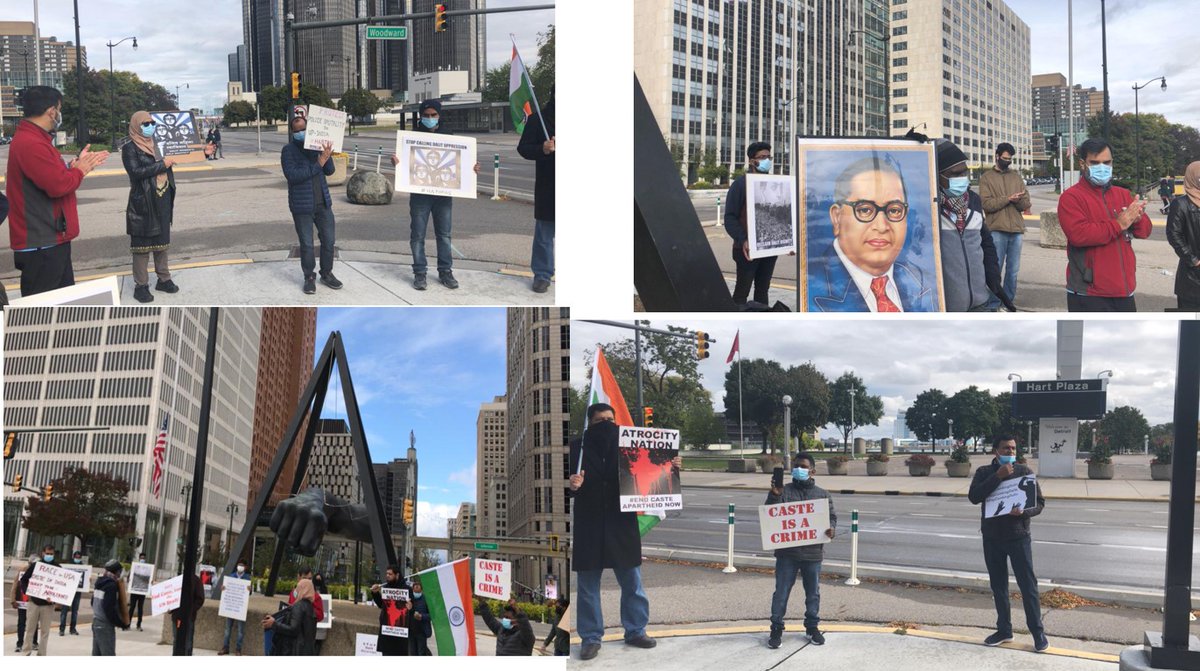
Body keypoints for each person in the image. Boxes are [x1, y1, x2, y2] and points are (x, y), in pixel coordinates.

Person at [569, 403, 680, 660]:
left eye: (610, 419)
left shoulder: (631, 446)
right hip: (589, 525)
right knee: (587, 588)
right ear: (590, 423)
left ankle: (635, 631)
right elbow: (562, 489)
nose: (606, 424)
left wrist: (671, 465)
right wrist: (572, 485)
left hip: (622, 524)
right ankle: (591, 638)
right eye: (599, 421)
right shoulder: (576, 448)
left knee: (632, 582)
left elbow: (655, 474)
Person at [5, 86, 108, 297]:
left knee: (61, 309)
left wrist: (72, 169)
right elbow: (58, 186)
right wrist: (79, 171)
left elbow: (49, 178)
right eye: (59, 109)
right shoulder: (31, 143)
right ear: (52, 111)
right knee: (43, 316)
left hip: (50, 240)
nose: (58, 114)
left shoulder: (35, 140)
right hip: (42, 244)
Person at [810, 156, 934, 311]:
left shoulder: (919, 278)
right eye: (865, 210)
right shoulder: (811, 284)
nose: (882, 227)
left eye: (894, 210)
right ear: (837, 217)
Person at [967, 434, 1048, 652]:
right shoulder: (984, 472)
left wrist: (1023, 513)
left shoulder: (1024, 472)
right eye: (1005, 449)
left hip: (1018, 537)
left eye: (1013, 449)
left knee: (1028, 586)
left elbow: (1039, 504)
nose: (1010, 452)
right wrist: (998, 477)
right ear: (996, 451)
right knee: (999, 586)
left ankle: (1038, 633)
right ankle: (1004, 630)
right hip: (992, 538)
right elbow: (974, 496)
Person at [390, 99, 480, 291]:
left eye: (434, 115)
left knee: (445, 235)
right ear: (421, 116)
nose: (430, 118)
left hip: (443, 195)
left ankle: (445, 271)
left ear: (439, 115)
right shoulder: (411, 136)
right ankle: (420, 273)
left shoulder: (449, 135)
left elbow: (459, 162)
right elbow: (405, 164)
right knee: (417, 235)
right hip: (420, 194)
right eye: (426, 115)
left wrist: (471, 168)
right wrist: (397, 163)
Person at [1057, 138, 1153, 311]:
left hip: (1124, 290)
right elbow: (1079, 235)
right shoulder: (1071, 197)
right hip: (1089, 292)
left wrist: (1138, 220)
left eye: (1106, 162)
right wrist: (1119, 223)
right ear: (1082, 164)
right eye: (1095, 163)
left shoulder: (1123, 194)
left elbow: (1145, 232)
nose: (1102, 167)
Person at [765, 452, 837, 649]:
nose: (799, 469)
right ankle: (776, 628)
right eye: (796, 466)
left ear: (812, 471)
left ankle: (812, 628)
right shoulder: (783, 491)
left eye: (803, 466)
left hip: (813, 554)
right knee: (781, 593)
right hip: (787, 554)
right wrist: (775, 496)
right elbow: (771, 517)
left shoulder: (822, 495)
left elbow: (832, 518)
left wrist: (831, 530)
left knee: (813, 593)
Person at [936, 140, 1008, 311]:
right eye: (955, 174)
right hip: (947, 307)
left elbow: (986, 244)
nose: (962, 178)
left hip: (980, 303)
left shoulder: (973, 201)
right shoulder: (929, 209)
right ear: (937, 175)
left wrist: (994, 279)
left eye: (964, 172)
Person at [123, 111, 180, 303]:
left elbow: (184, 153)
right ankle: (141, 285)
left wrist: (203, 152)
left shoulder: (160, 144)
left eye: (152, 122)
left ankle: (163, 279)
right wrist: (162, 164)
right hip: (143, 201)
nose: (150, 126)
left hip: (162, 196)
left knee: (161, 244)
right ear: (136, 125)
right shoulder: (130, 148)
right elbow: (136, 172)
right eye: (145, 123)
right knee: (141, 246)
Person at [281, 115, 342, 295]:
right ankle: (309, 277)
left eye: (304, 129)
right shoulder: (288, 151)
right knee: (307, 244)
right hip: (302, 206)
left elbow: (329, 171)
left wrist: (326, 156)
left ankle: (327, 273)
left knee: (329, 241)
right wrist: (319, 163)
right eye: (297, 130)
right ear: (292, 132)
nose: (301, 133)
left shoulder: (316, 147)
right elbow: (293, 176)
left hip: (323, 203)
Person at [724, 142, 780, 308]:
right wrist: (743, 240)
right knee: (742, 290)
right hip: (746, 250)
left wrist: (785, 243)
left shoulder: (774, 185)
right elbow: (730, 218)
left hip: (769, 249)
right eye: (762, 157)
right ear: (751, 161)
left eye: (768, 157)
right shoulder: (740, 185)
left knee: (763, 290)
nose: (767, 161)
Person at [979, 143, 1030, 310]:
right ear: (997, 156)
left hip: (1016, 229)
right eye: (1005, 158)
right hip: (996, 229)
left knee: (1013, 271)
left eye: (1010, 159)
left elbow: (1026, 203)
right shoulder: (986, 178)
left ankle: (1008, 302)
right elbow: (987, 205)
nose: (1007, 161)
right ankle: (993, 303)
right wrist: (1008, 199)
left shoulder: (1016, 177)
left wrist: (1017, 200)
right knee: (995, 270)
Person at [516, 95, 555, 293]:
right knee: (544, 234)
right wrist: (543, 148)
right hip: (550, 186)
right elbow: (523, 148)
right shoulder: (538, 119)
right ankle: (542, 274)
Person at [1165, 161, 1200, 310]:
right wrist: (1194, 261)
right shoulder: (1180, 204)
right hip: (1192, 278)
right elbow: (1174, 235)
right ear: (1192, 177)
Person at [19, 545, 60, 656]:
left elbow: (62, 587)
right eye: (47, 553)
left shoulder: (58, 568)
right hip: (34, 603)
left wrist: (56, 598)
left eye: (51, 554)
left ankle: (42, 654)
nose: (49, 556)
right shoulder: (36, 566)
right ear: (43, 553)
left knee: (45, 632)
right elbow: (23, 580)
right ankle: (26, 652)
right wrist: (29, 592)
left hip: (48, 605)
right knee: (30, 629)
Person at [263, 578, 317, 656]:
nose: (296, 590)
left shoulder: (299, 606)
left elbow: (293, 629)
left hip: (295, 650)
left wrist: (274, 624)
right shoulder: (310, 607)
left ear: (303, 590)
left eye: (298, 588)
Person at [370, 565, 411, 656]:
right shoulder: (386, 588)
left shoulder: (407, 589)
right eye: (386, 574)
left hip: (400, 634)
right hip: (387, 632)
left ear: (397, 575)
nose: (387, 575)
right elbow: (381, 605)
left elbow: (413, 609)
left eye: (390, 574)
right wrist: (375, 593)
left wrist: (410, 607)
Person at [91, 559, 129, 656]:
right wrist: (121, 624)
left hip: (96, 622)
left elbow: (92, 602)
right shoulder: (111, 586)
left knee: (97, 655)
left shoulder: (99, 582)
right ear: (116, 572)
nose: (120, 574)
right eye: (120, 571)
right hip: (105, 625)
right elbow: (109, 610)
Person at [219, 560, 253, 655]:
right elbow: (225, 589)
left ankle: (238, 649)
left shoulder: (247, 578)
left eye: (242, 565)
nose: (240, 566)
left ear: (245, 567)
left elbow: (249, 593)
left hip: (240, 608)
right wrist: (223, 588)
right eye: (239, 565)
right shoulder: (231, 576)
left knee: (240, 631)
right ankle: (225, 648)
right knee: (227, 630)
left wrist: (250, 590)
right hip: (230, 606)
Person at [170, 573, 205, 655]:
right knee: (176, 640)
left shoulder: (196, 581)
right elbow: (170, 596)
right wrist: (170, 608)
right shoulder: (177, 580)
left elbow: (200, 599)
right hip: (177, 616)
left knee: (188, 641)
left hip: (189, 617)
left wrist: (190, 610)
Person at [12, 554, 40, 653]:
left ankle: (34, 642)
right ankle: (19, 643)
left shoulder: (41, 572)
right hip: (22, 602)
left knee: (34, 623)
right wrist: (13, 600)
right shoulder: (22, 571)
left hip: (35, 602)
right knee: (21, 623)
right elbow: (15, 585)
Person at [59, 550, 85, 635]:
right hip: (67, 591)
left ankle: (72, 629)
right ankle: (62, 629)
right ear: (73, 557)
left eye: (79, 557)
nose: (77, 559)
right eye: (76, 557)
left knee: (75, 611)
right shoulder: (68, 566)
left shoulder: (83, 567)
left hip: (77, 592)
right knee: (64, 610)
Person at [408, 576, 433, 656]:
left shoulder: (426, 600)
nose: (416, 591)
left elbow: (432, 615)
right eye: (414, 589)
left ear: (421, 590)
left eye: (418, 589)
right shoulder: (409, 600)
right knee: (412, 653)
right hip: (411, 631)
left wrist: (421, 616)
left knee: (421, 653)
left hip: (422, 632)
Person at [128, 552, 147, 631]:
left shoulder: (147, 568)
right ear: (139, 558)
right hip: (134, 591)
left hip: (142, 592)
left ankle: (139, 624)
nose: (142, 559)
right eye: (141, 558)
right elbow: (129, 577)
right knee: (132, 607)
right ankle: (128, 623)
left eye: (143, 558)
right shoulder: (134, 567)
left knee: (140, 608)